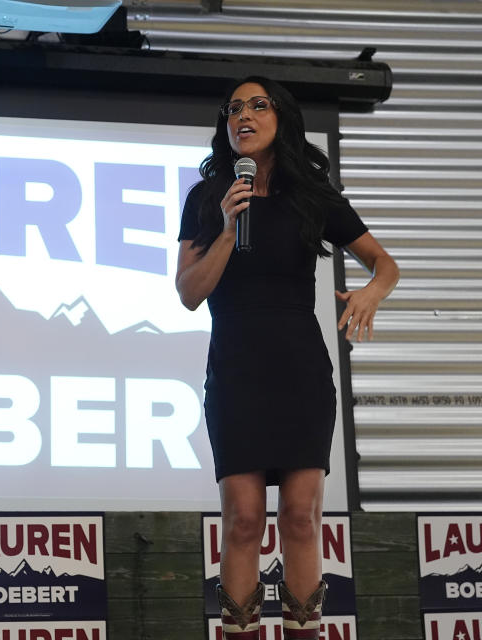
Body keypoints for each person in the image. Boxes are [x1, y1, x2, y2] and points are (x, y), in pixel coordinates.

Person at [176, 76, 399, 639]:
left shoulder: (313, 197)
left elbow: (384, 263)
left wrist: (373, 291)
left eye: (257, 106)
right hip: (236, 369)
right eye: (232, 109)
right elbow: (189, 292)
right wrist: (227, 229)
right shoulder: (208, 199)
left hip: (299, 368)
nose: (242, 117)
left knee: (301, 518)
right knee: (243, 519)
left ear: (282, 119)